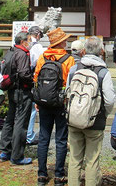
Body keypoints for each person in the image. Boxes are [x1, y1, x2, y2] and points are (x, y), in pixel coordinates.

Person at [67, 36, 115, 186]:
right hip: (95, 120)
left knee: (74, 159)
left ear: (83, 51)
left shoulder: (74, 69)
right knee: (92, 161)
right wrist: (104, 114)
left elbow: (69, 93)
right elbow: (109, 100)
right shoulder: (103, 72)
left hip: (74, 118)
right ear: (101, 51)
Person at [33, 27, 75, 186]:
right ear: (61, 42)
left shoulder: (43, 57)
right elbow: (70, 82)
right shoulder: (68, 59)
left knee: (43, 137)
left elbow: (36, 78)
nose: (66, 41)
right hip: (61, 102)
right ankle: (59, 175)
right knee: (61, 139)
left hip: (44, 102)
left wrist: (38, 100)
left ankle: (42, 175)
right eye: (65, 40)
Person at [0, 31, 34, 165]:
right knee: (21, 122)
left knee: (10, 119)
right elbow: (24, 73)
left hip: (11, 89)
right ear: (23, 42)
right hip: (21, 90)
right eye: (29, 40)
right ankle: (17, 156)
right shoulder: (22, 54)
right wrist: (33, 81)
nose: (30, 43)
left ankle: (5, 151)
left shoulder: (11, 52)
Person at [27, 25, 45, 146]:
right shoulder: (37, 47)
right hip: (32, 77)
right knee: (32, 109)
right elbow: (41, 62)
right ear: (38, 35)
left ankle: (22, 134)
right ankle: (29, 136)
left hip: (22, 77)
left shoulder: (24, 44)